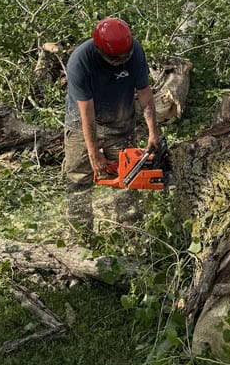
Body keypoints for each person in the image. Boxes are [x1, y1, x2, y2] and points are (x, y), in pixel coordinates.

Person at [63, 16, 167, 234]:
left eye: (124, 56)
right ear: (100, 51)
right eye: (116, 58)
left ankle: (130, 233)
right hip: (81, 120)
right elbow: (87, 113)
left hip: (120, 120)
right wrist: (94, 153)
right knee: (78, 177)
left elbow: (145, 95)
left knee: (129, 176)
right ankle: (81, 234)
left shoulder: (135, 52)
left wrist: (153, 132)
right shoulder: (80, 61)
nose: (121, 60)